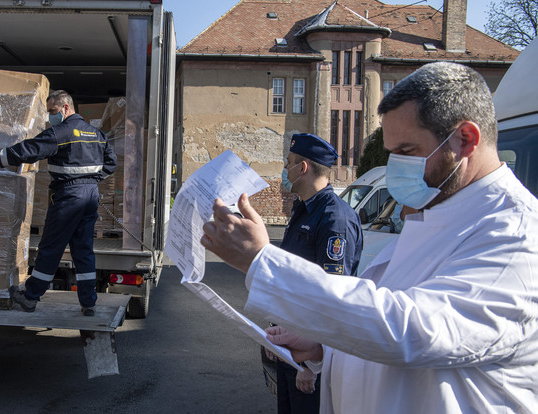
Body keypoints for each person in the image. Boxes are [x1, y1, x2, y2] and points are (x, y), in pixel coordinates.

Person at [201, 61, 538, 413]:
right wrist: (324, 348)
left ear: (466, 139)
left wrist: (261, 260)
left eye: (406, 152)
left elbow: (412, 331)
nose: (395, 167)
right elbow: (383, 325)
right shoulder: (441, 213)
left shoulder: (515, 235)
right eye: (391, 153)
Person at [0, 90, 116, 316]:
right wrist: (91, 180)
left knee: (51, 247)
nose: (51, 117)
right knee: (84, 251)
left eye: (52, 111)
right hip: (90, 196)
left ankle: (30, 297)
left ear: (66, 108)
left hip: (69, 197)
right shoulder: (96, 134)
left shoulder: (61, 133)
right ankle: (88, 302)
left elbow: (29, 150)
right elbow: (111, 163)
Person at [273, 133, 362, 414]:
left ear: (303, 168)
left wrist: (311, 365)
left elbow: (333, 296)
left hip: (311, 359)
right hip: (290, 348)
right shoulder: (304, 210)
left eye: (288, 164)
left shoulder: (334, 218)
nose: (284, 171)